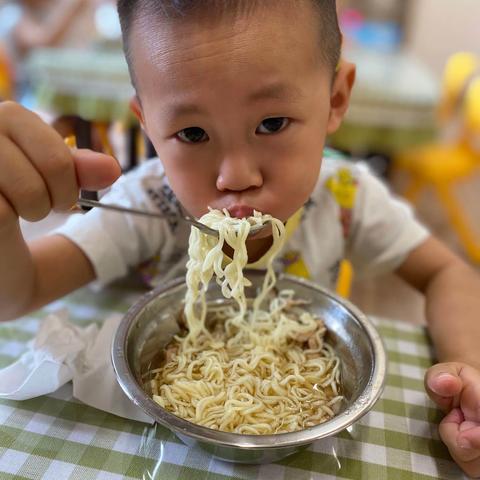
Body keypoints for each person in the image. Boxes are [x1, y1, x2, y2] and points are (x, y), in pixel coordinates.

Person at [0, 0, 479, 476]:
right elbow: (20, 292)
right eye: (191, 133)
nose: (236, 177)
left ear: (335, 100)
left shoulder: (347, 197)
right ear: (147, 123)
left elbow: (448, 271)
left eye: (271, 124)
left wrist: (466, 365)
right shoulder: (147, 203)